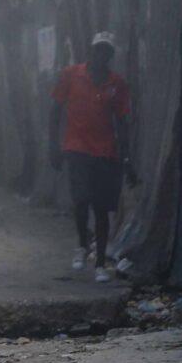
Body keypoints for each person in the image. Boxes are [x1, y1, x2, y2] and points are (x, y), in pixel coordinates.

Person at [49, 31, 137, 283]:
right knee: (80, 199)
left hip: (105, 151)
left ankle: (99, 263)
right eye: (98, 49)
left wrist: (126, 156)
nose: (101, 55)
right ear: (91, 51)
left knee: (100, 207)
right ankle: (81, 245)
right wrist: (53, 146)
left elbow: (121, 121)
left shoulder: (116, 84)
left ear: (110, 56)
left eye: (106, 51)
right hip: (75, 147)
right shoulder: (70, 75)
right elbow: (55, 110)